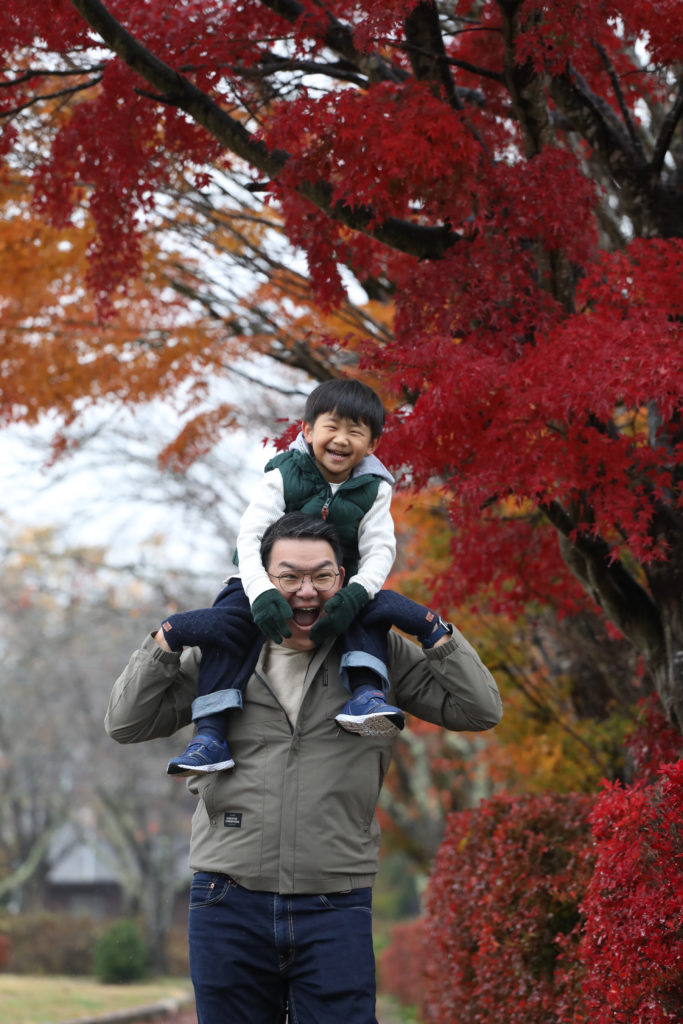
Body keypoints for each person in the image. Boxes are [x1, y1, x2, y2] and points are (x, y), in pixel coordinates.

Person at [105, 512, 502, 1024]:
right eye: (288, 577)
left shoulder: (376, 655)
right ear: (261, 580)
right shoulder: (224, 652)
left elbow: (480, 709)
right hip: (228, 899)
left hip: (335, 902)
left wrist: (429, 628)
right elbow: (124, 723)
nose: (306, 592)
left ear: (344, 579)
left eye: (323, 576)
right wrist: (167, 637)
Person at [163, 379, 402, 777]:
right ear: (306, 431)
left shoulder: (374, 489)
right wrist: (259, 592)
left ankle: (366, 694)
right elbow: (250, 536)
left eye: (356, 432)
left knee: (369, 614)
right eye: (332, 427)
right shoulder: (283, 472)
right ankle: (209, 734)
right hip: (264, 574)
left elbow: (380, 548)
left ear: (372, 444)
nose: (342, 440)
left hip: (334, 580)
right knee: (228, 625)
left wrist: (357, 592)